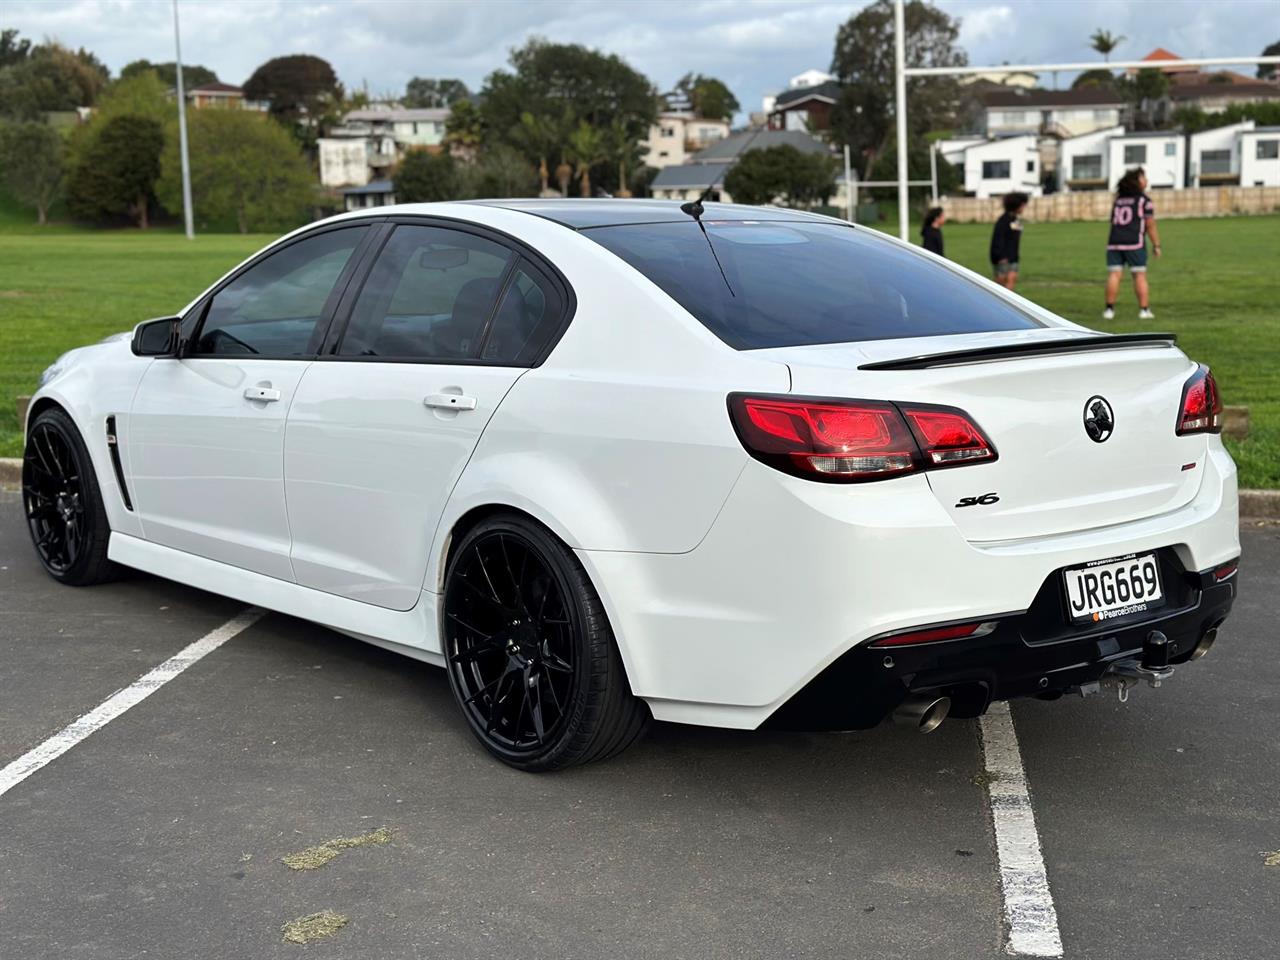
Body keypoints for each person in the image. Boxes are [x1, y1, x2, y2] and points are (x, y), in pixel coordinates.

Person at [1103, 167, 1161, 320]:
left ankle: (1109, 310)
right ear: (1137, 182)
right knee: (1139, 276)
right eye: (1144, 178)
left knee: (1114, 275)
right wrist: (1156, 245)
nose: (1146, 181)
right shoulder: (1144, 201)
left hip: (1114, 242)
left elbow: (1113, 221)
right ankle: (1144, 310)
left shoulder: (1118, 200)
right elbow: (1150, 225)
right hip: (1134, 243)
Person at [989, 192, 1028, 290]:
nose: (1024, 208)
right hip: (1002, 258)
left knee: (1012, 279)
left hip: (1013, 257)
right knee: (1001, 284)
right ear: (1016, 205)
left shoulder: (1015, 220)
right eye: (1023, 205)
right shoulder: (1003, 220)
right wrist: (1000, 256)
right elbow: (997, 239)